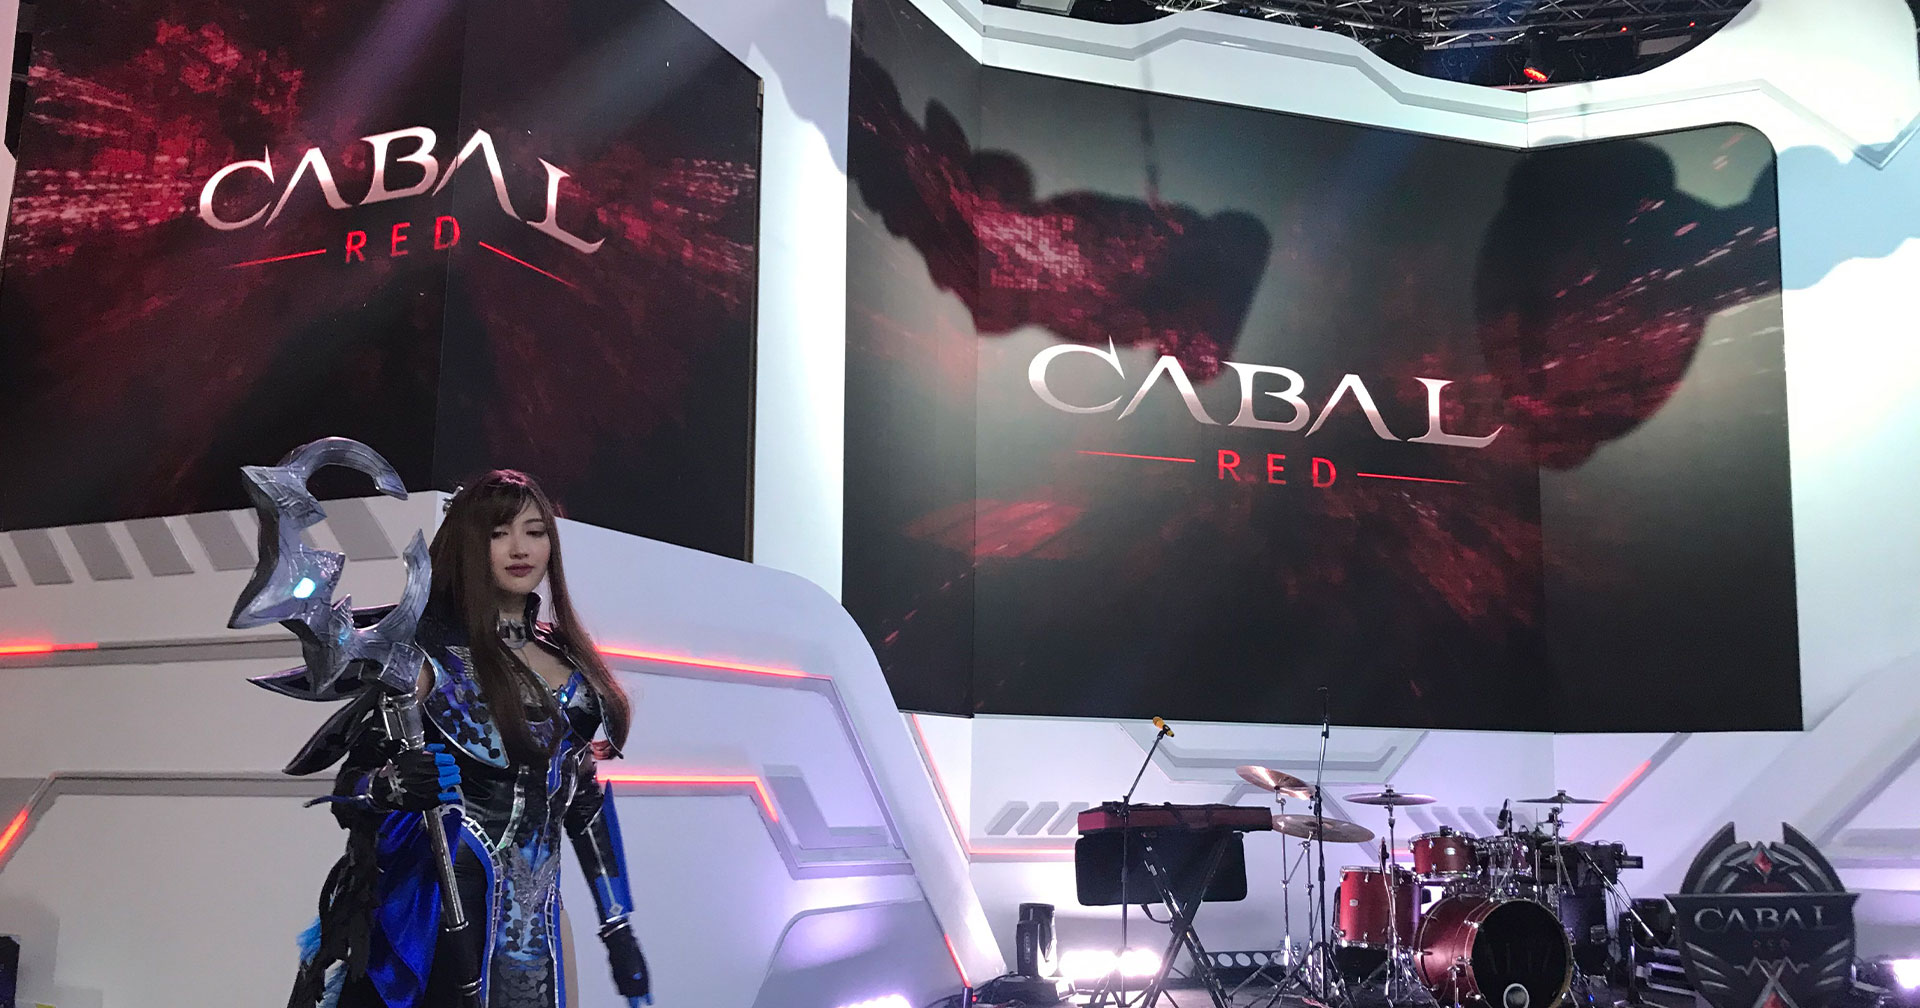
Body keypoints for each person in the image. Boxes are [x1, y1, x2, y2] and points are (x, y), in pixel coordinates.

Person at [287, 470, 651, 1008]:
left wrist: (616, 923)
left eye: (535, 532)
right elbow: (352, 788)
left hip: (540, 921)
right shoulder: (429, 662)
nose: (520, 549)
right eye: (499, 533)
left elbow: (581, 799)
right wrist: (392, 786)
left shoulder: (570, 665)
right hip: (445, 913)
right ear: (469, 545)